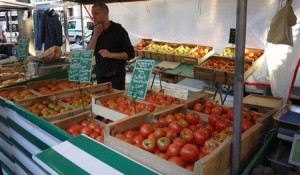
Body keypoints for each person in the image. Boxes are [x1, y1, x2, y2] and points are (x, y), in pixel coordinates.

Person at [86, 2, 134, 90]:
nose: (93, 17)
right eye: (92, 14)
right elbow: (88, 54)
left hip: (116, 78)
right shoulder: (95, 31)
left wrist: (111, 55)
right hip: (100, 77)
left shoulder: (119, 31)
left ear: (105, 13)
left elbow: (130, 54)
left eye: (96, 13)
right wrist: (95, 36)